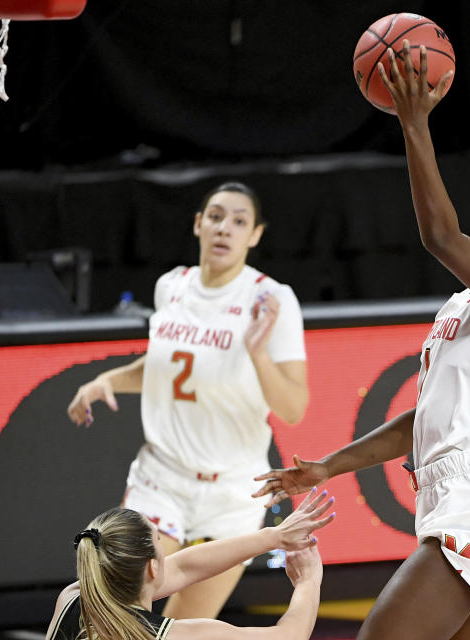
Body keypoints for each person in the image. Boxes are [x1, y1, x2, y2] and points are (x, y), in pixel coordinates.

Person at [254, 42, 470, 640]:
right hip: (458, 496)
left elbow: (438, 236)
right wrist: (328, 466)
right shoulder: (467, 303)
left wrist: (414, 123)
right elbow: (422, 421)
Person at [67, 181, 309, 619]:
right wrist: (108, 380)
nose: (225, 229)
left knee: (186, 624)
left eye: (239, 221)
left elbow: (293, 408)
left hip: (235, 488)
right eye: (216, 217)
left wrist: (256, 353)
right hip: (164, 475)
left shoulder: (272, 299)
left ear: (255, 235)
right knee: (120, 606)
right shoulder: (171, 286)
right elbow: (167, 363)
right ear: (198, 224)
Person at [45, 487, 335, 640]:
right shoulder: (183, 636)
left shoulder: (71, 600)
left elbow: (185, 567)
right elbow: (289, 636)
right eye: (159, 541)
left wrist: (275, 537)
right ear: (151, 568)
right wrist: (308, 581)